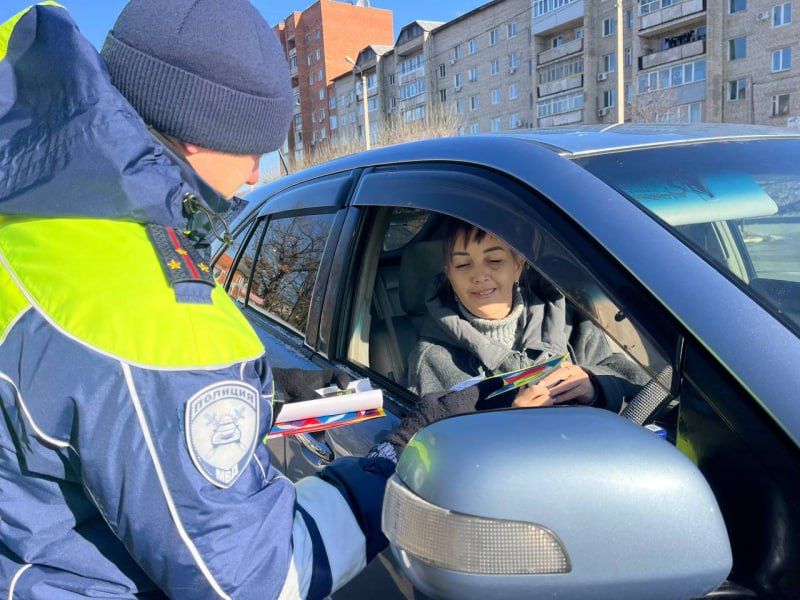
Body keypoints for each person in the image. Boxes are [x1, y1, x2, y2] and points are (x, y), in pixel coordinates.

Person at [0, 2, 393, 598]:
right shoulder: (157, 312)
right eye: (252, 147)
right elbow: (262, 579)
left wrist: (262, 391)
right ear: (195, 130)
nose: (259, 175)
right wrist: (395, 464)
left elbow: (87, 402)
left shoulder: (35, 207)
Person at [407, 219, 646, 410]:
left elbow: (638, 387)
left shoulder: (571, 322)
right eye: (463, 265)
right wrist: (511, 421)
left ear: (518, 266)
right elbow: (431, 440)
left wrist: (595, 383)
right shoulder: (433, 357)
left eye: (495, 260)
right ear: (449, 275)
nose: (479, 275)